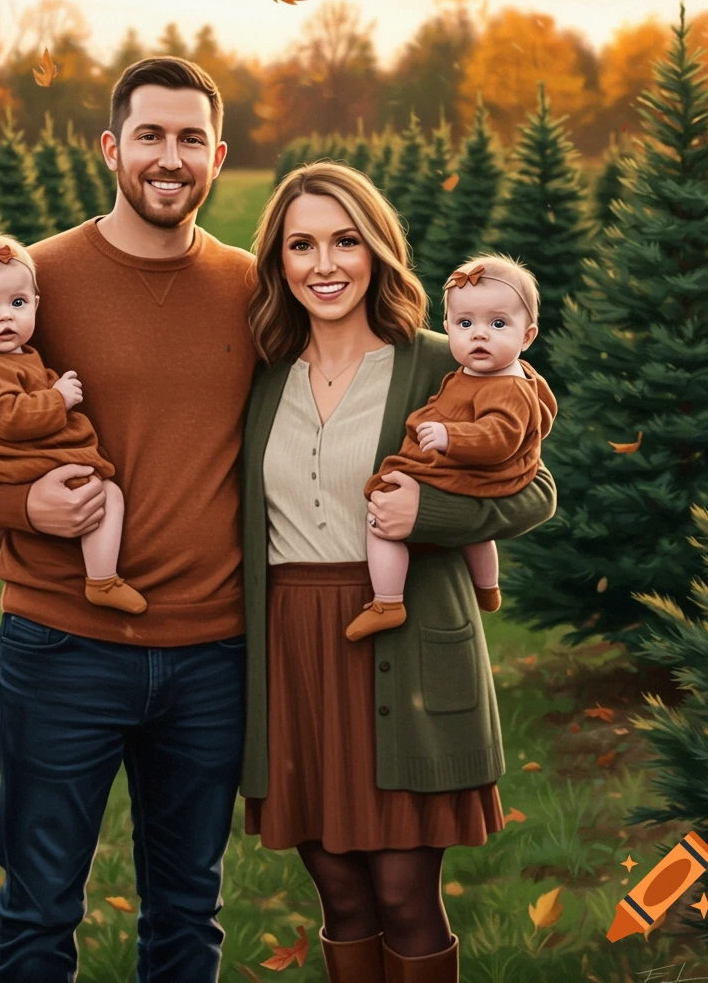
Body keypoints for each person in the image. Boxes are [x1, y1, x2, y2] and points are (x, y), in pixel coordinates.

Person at [0, 57, 256, 983]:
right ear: (112, 146)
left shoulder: (257, 289)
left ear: (218, 155)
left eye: (190, 139)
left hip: (212, 653)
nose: (169, 157)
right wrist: (21, 505)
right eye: (149, 135)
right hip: (63, 648)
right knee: (38, 909)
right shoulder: (34, 279)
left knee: (188, 914)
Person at [239, 162, 557, 983]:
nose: (325, 263)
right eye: (302, 244)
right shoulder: (263, 374)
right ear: (278, 260)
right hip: (294, 652)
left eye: (346, 240)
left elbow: (535, 488)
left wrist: (433, 518)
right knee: (339, 895)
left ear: (378, 250)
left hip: (403, 641)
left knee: (405, 894)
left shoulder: (440, 363)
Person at [346, 253, 557, 642]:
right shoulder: (470, 370)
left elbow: (500, 437)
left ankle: (388, 601)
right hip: (467, 469)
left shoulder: (507, 388)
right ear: (448, 328)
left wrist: (451, 438)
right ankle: (486, 586)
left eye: (497, 324)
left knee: (380, 521)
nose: (479, 334)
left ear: (527, 336)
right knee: (475, 537)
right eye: (465, 323)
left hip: (465, 468)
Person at [0, 231, 146, 619]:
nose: (5, 316)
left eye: (17, 303)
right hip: (18, 454)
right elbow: (8, 416)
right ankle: (102, 579)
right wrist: (58, 398)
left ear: (36, 303)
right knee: (106, 495)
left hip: (5, 460)